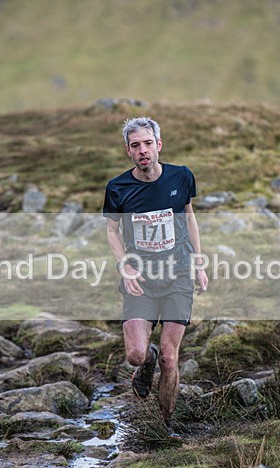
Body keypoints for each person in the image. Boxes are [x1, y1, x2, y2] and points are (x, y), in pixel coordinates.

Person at [103, 116, 208, 437]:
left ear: (159, 145)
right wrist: (125, 266)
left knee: (169, 358)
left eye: (148, 143)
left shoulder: (181, 176)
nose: (143, 150)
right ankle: (145, 362)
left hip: (178, 275)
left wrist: (199, 262)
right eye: (136, 145)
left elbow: (189, 216)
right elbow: (112, 230)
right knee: (136, 354)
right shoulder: (118, 188)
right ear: (128, 151)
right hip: (142, 280)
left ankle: (164, 427)